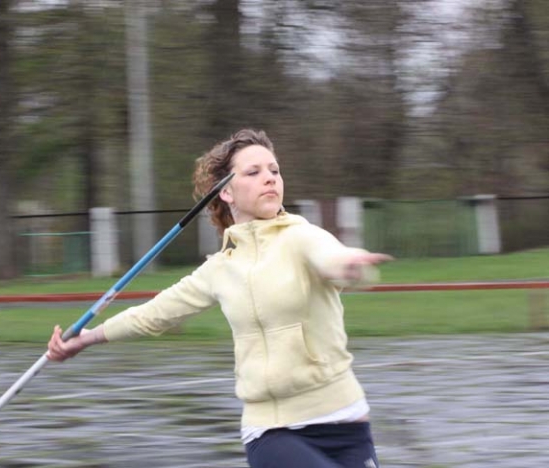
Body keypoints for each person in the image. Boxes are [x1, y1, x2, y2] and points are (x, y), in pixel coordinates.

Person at [47, 128, 392, 468]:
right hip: (272, 431)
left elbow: (332, 257)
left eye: (274, 170)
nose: (269, 179)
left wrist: (350, 264)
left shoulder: (304, 237)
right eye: (253, 172)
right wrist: (85, 339)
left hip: (347, 422)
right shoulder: (219, 269)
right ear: (226, 192)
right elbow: (153, 315)